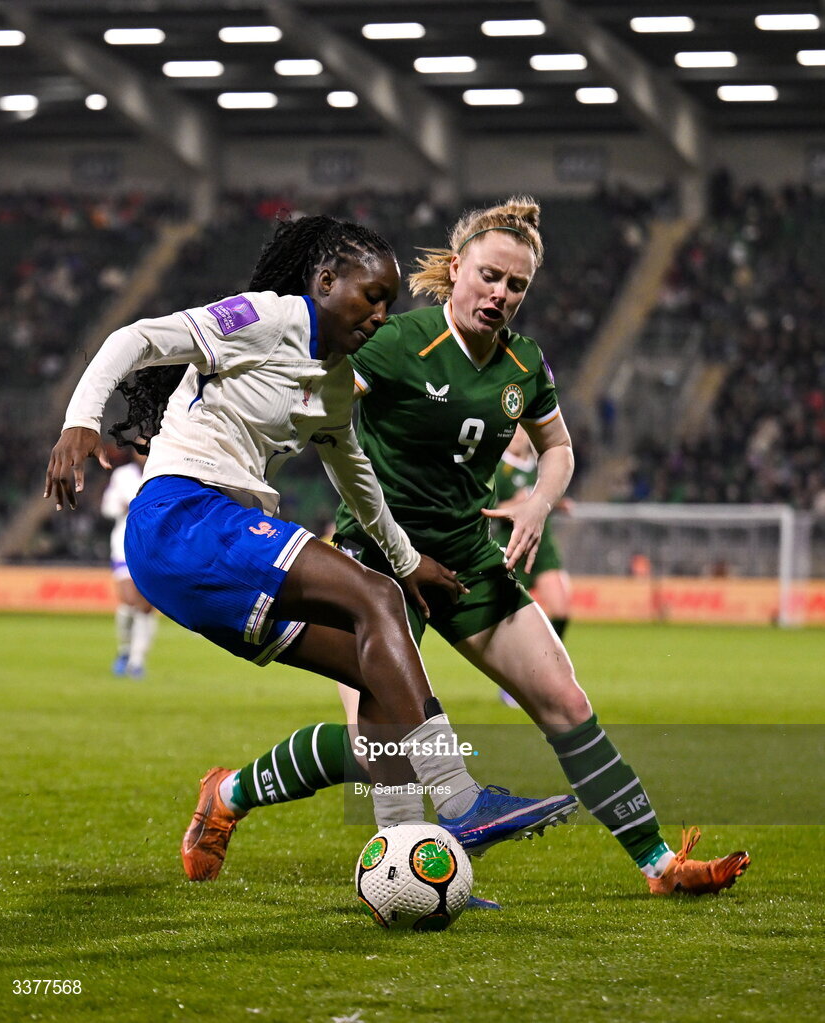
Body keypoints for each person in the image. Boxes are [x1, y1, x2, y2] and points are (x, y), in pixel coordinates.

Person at [215, 198, 750, 897]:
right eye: (490, 276)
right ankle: (232, 795)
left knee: (564, 697)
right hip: (379, 564)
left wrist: (537, 499)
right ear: (456, 267)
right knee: (382, 750)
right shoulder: (396, 343)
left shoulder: (522, 363)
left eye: (516, 285)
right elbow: (314, 407)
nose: (500, 295)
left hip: (466, 560)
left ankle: (658, 862)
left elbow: (558, 447)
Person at [44, 214, 576, 882]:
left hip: (210, 553)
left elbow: (354, 475)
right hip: (183, 517)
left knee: (373, 663)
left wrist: (409, 562)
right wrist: (80, 422)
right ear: (324, 281)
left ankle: (405, 861)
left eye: (387, 302)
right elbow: (137, 338)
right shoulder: (266, 317)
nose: (379, 314)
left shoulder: (330, 377)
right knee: (374, 596)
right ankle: (462, 798)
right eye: (368, 296)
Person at [493, 424, 572, 706]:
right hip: (513, 549)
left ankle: (550, 670)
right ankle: (512, 684)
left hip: (543, 548)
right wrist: (515, 503)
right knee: (513, 626)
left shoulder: (540, 465)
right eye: (512, 432)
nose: (518, 437)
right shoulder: (498, 468)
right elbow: (490, 508)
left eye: (521, 432)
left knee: (561, 609)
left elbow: (546, 495)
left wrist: (555, 503)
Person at [100, 445, 157, 679]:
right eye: (140, 449)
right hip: (124, 545)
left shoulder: (165, 475)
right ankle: (125, 650)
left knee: (145, 606)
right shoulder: (122, 475)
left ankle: (137, 660)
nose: (143, 453)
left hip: (154, 547)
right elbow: (107, 507)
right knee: (128, 603)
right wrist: (121, 506)